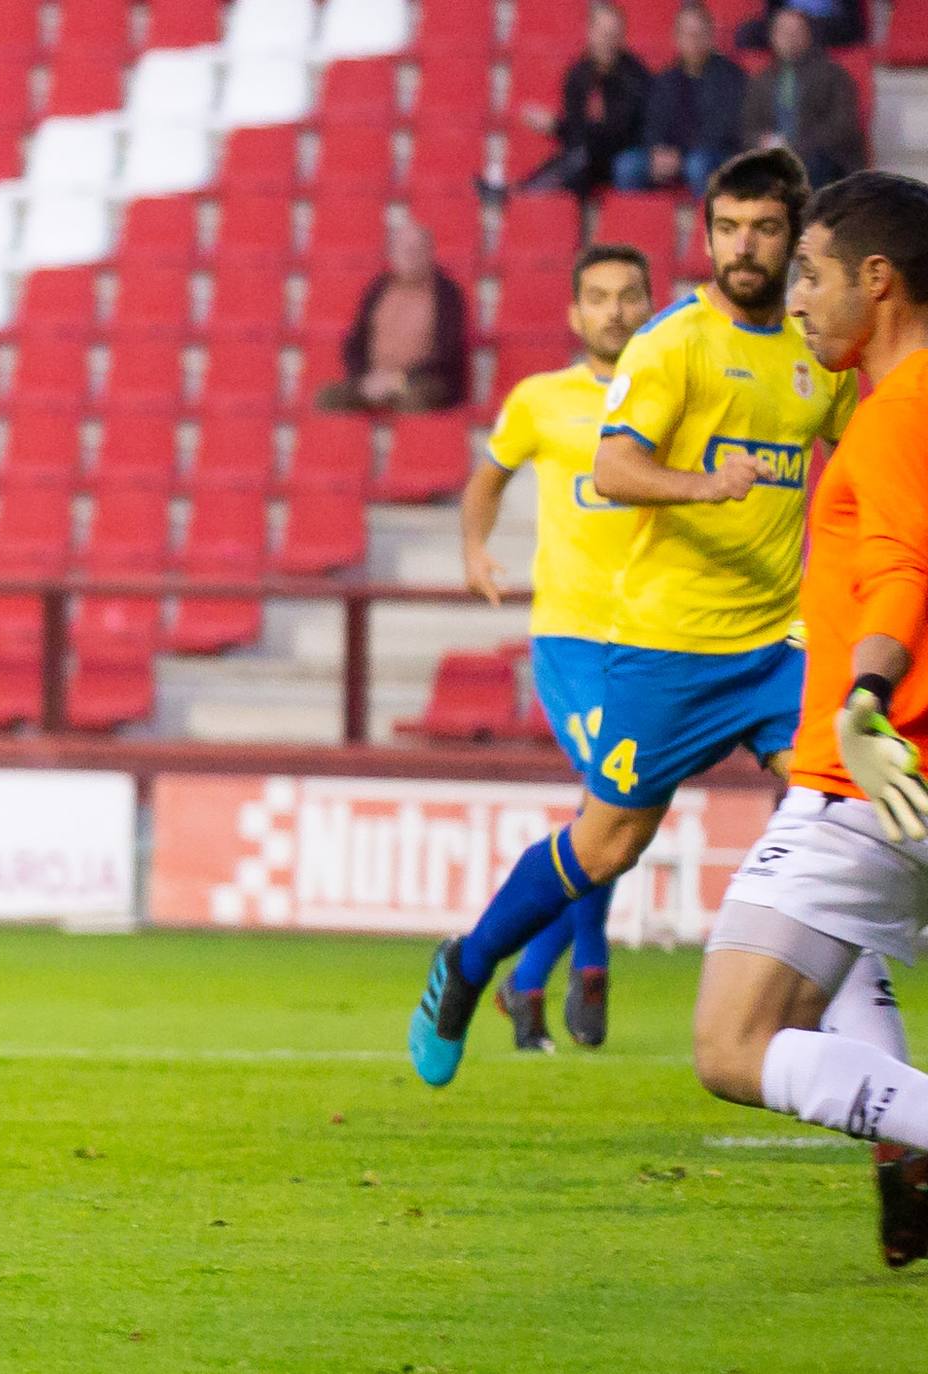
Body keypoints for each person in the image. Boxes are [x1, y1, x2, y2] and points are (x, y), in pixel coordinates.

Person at [408, 150, 858, 1092]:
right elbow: (615, 470)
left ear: (795, 237)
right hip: (662, 651)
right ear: (706, 235)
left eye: (765, 228)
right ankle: (474, 961)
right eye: (728, 227)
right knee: (610, 842)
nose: (744, 246)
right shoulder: (674, 343)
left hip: (775, 649)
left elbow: (864, 461)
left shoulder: (817, 353)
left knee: (838, 813)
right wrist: (706, 484)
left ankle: (847, 1063)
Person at [685, 170, 928, 1269]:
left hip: (870, 779)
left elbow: (899, 579)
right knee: (833, 986)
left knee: (732, 1042)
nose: (796, 299)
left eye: (813, 274)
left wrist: (866, 700)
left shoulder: (893, 416)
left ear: (875, 283)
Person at [457, 243, 658, 1051]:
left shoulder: (675, 395)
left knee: (610, 816)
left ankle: (530, 978)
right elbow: (487, 478)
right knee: (611, 806)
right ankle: (589, 964)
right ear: (575, 314)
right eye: (598, 297)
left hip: (653, 639)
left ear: (651, 306)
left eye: (629, 295)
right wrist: (475, 550)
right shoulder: (540, 399)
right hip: (572, 639)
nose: (613, 310)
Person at [315, 216, 472, 413]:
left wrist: (399, 379)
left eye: (416, 249)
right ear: (392, 254)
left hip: (424, 380)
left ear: (430, 252)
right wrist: (365, 378)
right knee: (328, 398)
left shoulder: (448, 294)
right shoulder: (378, 289)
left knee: (413, 400)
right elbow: (355, 342)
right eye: (404, 249)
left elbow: (448, 353)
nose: (410, 256)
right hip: (374, 378)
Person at [517, 4, 651, 195]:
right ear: (590, 33)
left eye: (614, 36)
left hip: (623, 154)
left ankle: (524, 191)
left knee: (585, 161)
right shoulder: (578, 75)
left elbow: (616, 134)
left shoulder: (634, 77)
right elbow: (576, 136)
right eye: (604, 35)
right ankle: (525, 191)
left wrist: (556, 126)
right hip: (588, 157)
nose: (609, 43)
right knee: (575, 160)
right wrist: (560, 128)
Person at [741, 9, 866, 187]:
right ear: (773, 37)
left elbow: (843, 126)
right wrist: (761, 141)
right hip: (773, 158)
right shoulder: (761, 81)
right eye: (783, 32)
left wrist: (795, 146)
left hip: (823, 158)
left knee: (805, 169)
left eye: (796, 31)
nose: (789, 38)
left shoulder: (833, 75)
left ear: (808, 35)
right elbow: (748, 128)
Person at [632, 4, 747, 197]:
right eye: (687, 34)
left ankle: (706, 223)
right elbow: (651, 122)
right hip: (671, 154)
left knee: (697, 165)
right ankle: (639, 224)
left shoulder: (732, 77)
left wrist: (681, 154)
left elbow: (725, 129)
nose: (694, 41)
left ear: (711, 36)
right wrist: (656, 149)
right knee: (628, 166)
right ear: (676, 38)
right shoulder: (664, 80)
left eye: (699, 34)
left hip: (714, 154)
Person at [737, 0, 868, 50]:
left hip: (828, 24)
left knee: (805, 32)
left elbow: (851, 19)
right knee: (747, 33)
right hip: (787, 21)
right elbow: (772, 11)